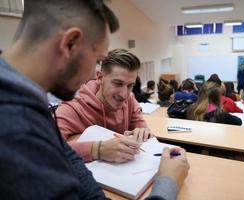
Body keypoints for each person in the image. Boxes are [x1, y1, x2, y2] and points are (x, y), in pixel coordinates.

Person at [0, 0, 189, 199]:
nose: (93, 73)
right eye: (98, 60)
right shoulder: (15, 128)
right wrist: (168, 181)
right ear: (69, 43)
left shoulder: (30, 106)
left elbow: (74, 166)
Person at [56, 49, 154, 163]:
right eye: (118, 83)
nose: (124, 94)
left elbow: (145, 134)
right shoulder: (72, 108)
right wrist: (97, 150)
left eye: (130, 86)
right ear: (100, 77)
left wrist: (142, 134)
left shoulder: (130, 99)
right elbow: (44, 151)